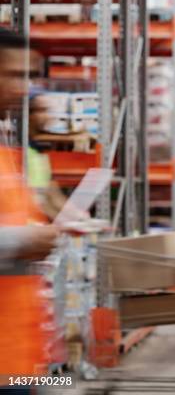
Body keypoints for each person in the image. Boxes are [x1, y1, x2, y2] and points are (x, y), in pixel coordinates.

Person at [0, 27, 58, 393]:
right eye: (14, 75)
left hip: (17, 355)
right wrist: (23, 240)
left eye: (29, 75)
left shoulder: (6, 150)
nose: (24, 87)